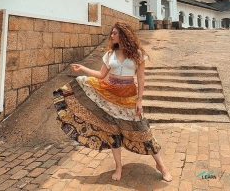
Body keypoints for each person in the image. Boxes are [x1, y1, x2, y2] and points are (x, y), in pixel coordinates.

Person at [53, 22, 172, 182]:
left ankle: (161, 166)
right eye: (112, 33)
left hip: (128, 96)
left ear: (124, 34)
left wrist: (139, 100)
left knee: (142, 129)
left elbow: (141, 77)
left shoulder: (137, 54)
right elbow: (101, 75)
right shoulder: (109, 55)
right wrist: (82, 69)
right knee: (113, 131)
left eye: (115, 33)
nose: (112, 36)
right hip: (109, 94)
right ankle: (118, 167)